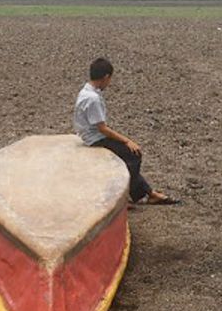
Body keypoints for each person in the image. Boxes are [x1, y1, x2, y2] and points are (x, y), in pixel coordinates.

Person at [73, 57, 180, 205]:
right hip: (94, 139)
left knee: (128, 156)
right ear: (106, 77)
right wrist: (127, 140)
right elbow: (102, 128)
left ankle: (150, 193)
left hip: (88, 135)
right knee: (133, 155)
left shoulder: (85, 91)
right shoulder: (93, 99)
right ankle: (122, 196)